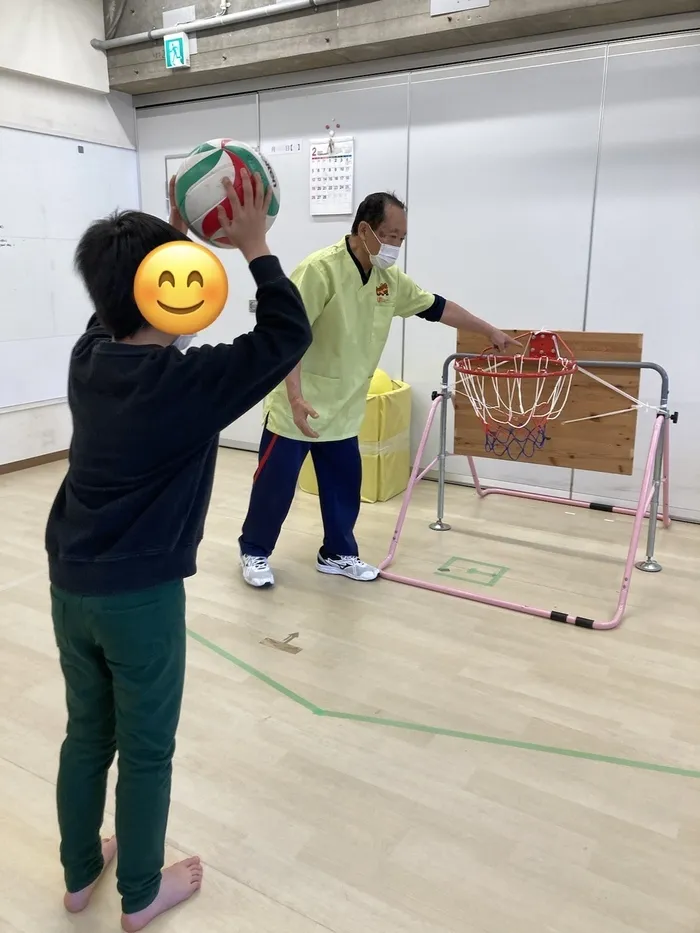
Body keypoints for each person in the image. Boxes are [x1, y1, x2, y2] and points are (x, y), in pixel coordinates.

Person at [44, 170, 311, 931]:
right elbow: (286, 336)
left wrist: (179, 243)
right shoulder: (186, 385)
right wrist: (254, 247)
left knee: (86, 730)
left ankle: (76, 875)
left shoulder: (88, 357)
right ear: (164, 287)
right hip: (141, 596)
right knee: (147, 747)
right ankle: (139, 894)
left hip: (71, 582)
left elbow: (128, 311)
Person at [239, 191, 519, 589]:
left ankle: (336, 553)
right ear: (365, 229)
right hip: (297, 403)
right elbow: (288, 336)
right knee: (275, 486)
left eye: (402, 238)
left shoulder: (387, 279)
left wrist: (489, 330)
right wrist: (296, 396)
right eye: (391, 235)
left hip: (346, 406)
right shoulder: (320, 270)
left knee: (343, 487)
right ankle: (254, 550)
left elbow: (437, 307)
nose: (396, 246)